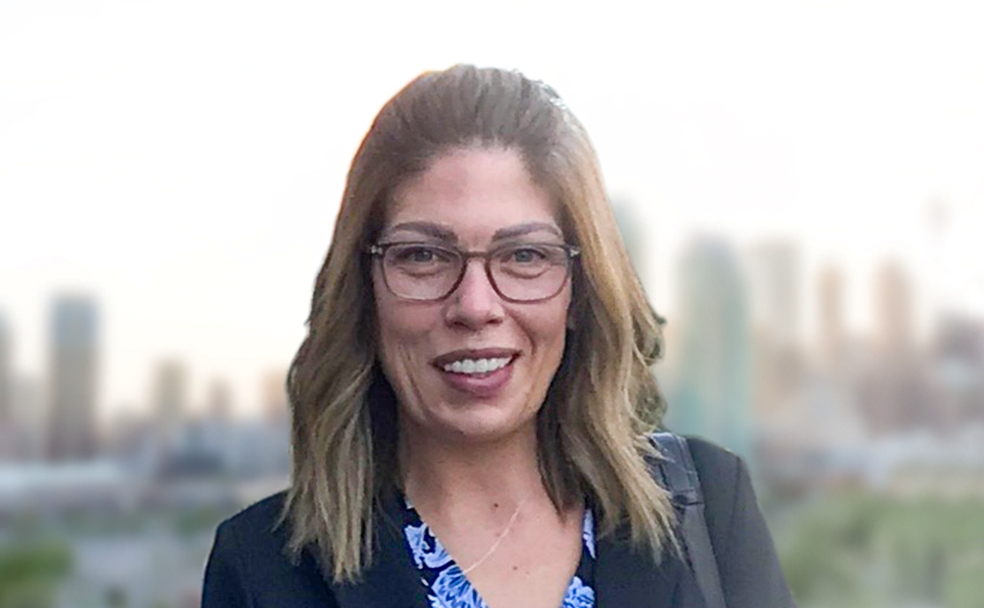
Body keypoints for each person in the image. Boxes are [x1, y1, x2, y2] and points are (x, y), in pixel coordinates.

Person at [202, 65, 794, 608]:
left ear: (580, 291)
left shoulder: (707, 509)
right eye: (423, 256)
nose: (475, 305)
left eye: (525, 256)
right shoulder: (264, 570)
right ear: (365, 289)